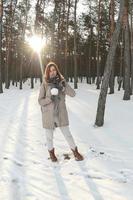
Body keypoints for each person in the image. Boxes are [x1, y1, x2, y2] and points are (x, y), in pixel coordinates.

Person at [38, 61, 84, 162]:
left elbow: (73, 94)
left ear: (57, 71)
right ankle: (51, 154)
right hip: (48, 115)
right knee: (49, 137)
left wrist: (63, 88)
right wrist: (49, 98)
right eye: (50, 71)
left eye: (54, 70)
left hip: (61, 114)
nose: (52, 72)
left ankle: (75, 152)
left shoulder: (62, 82)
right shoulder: (45, 84)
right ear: (47, 73)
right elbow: (40, 101)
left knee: (68, 134)